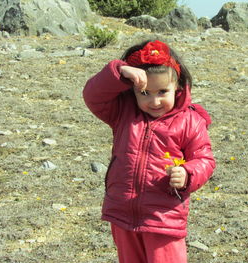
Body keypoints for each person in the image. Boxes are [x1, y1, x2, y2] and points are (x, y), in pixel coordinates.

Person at [83, 39, 216, 263]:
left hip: (163, 216)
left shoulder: (190, 120)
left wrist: (188, 173)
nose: (154, 101)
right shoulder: (123, 112)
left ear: (179, 87)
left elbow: (205, 158)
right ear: (132, 91)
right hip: (122, 212)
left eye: (163, 91)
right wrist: (118, 71)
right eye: (144, 93)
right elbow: (93, 96)